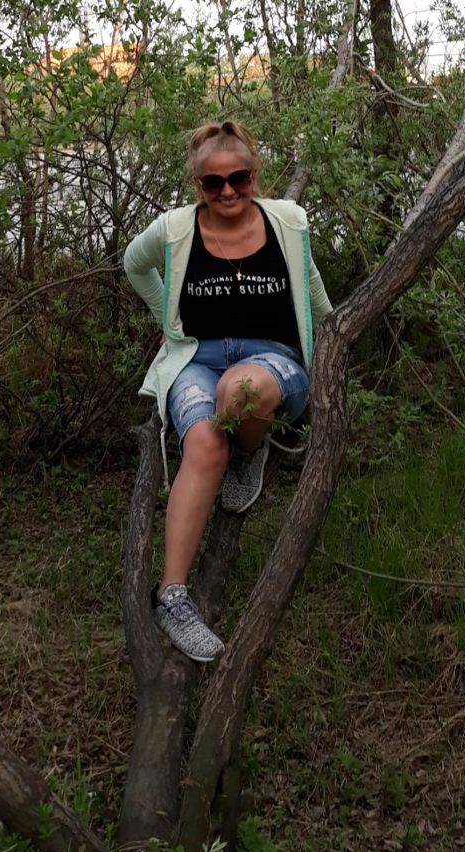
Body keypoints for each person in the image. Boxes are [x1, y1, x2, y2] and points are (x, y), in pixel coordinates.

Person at [123, 120, 332, 663]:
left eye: (238, 178)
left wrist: (336, 344)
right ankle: (172, 597)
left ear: (253, 176)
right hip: (197, 358)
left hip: (272, 359)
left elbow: (311, 289)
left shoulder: (287, 222)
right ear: (198, 185)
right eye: (213, 183)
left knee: (240, 393)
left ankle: (249, 448)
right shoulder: (175, 229)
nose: (228, 191)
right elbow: (133, 264)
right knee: (202, 443)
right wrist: (168, 319)